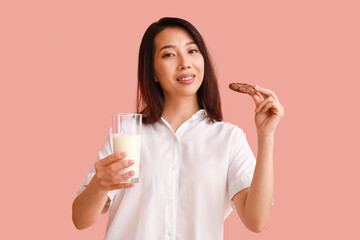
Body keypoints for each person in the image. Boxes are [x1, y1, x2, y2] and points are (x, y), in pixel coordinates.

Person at [72, 17, 284, 239]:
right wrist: (99, 185)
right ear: (152, 71)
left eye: (192, 51)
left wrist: (266, 136)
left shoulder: (228, 138)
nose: (185, 63)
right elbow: (80, 220)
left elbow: (256, 221)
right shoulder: (128, 132)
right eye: (169, 54)